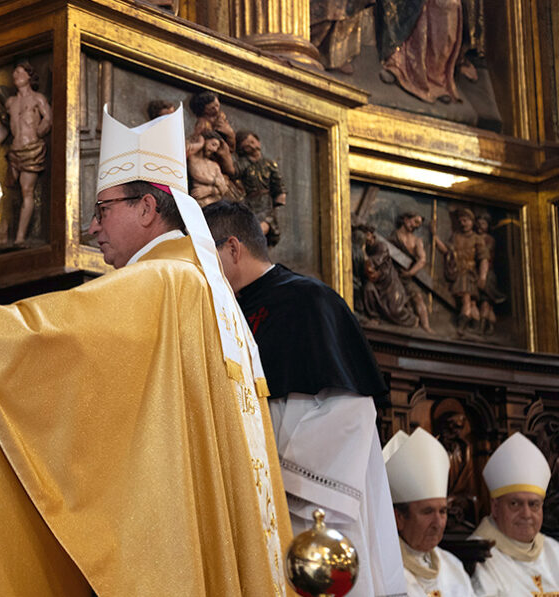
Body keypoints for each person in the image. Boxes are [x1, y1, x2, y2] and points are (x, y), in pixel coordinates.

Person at [0, 105, 296, 596]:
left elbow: (57, 336)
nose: (92, 227)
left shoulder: (165, 280)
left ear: (147, 208)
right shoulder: (208, 292)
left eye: (103, 210)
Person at [204, 199, 406, 597]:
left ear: (232, 248)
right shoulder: (220, 310)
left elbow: (352, 409)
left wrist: (268, 471)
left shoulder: (309, 301)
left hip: (307, 505)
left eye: (204, 255)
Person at [383, 428, 476, 596]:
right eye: (427, 512)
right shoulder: (384, 572)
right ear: (399, 518)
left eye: (442, 511)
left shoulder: (452, 566)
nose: (438, 523)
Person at [469, 432, 559, 596]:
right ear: (495, 507)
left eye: (533, 504)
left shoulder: (554, 550)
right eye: (515, 504)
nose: (526, 514)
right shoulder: (479, 556)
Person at [0, 61, 52, 248]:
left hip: (31, 150)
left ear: (29, 76)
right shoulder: (11, 102)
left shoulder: (38, 98)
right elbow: (7, 126)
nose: (16, 75)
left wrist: (36, 135)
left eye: (20, 72)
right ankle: (1, 237)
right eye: (14, 73)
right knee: (8, 196)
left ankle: (19, 237)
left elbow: (48, 118)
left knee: (27, 191)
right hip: (14, 151)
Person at [434, 207, 488, 336]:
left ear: (472, 221)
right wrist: (434, 236)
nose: (463, 223)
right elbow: (446, 250)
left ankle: (462, 326)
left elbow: (484, 259)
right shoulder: (456, 236)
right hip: (458, 272)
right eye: (461, 221)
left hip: (469, 273)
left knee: (466, 298)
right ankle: (476, 326)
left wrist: (483, 277)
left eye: (466, 220)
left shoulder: (477, 238)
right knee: (471, 302)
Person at [233, 130, 284, 246]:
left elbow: (277, 182)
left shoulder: (269, 164)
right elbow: (234, 171)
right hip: (250, 202)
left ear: (258, 143)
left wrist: (280, 196)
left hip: (265, 202)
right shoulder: (244, 163)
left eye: (252, 142)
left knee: (264, 227)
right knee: (251, 228)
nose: (251, 146)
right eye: (246, 145)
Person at [389, 213, 433, 333]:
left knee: (417, 298)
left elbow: (422, 259)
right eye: (415, 222)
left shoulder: (416, 240)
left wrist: (410, 273)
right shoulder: (394, 236)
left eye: (419, 224)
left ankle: (426, 326)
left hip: (409, 276)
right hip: (394, 274)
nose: (417, 226)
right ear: (406, 220)